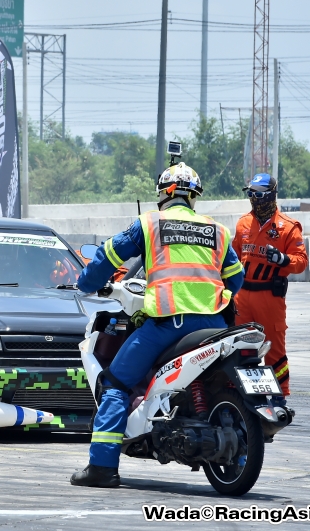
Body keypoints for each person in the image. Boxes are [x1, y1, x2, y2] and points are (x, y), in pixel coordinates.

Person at [70, 163, 245, 488]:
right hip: (215, 325)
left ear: (164, 193)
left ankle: (102, 467)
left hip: (169, 324)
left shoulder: (150, 223)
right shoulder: (217, 230)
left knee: (116, 383)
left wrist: (85, 283)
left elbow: (109, 256)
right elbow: (236, 279)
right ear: (194, 196)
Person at [233, 173, 307, 406]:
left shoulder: (288, 227)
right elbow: (233, 258)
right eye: (251, 193)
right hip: (242, 296)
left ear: (272, 195)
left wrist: (283, 259)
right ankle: (239, 394)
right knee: (239, 346)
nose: (254, 198)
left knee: (274, 348)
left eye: (259, 194)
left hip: (270, 296)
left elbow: (301, 262)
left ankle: (278, 396)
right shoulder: (243, 223)